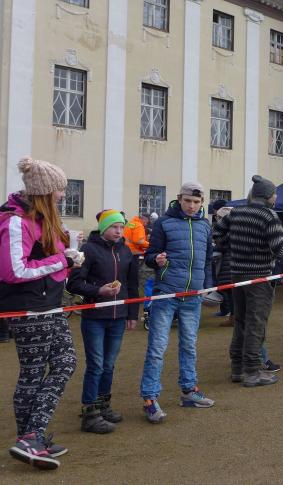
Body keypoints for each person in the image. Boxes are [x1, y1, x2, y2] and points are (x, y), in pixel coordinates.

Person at [0, 157, 78, 470]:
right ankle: (30, 438)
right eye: (59, 189)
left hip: (50, 304)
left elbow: (47, 260)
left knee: (66, 362)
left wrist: (67, 257)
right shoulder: (16, 221)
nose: (63, 195)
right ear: (44, 192)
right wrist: (62, 261)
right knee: (32, 372)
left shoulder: (44, 219)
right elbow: (14, 270)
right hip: (29, 307)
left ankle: (32, 436)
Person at [214, 176, 283, 381]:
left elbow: (217, 233)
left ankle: (238, 368)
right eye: (275, 194)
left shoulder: (236, 212)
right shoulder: (269, 216)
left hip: (238, 275)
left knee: (241, 322)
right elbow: (280, 248)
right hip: (259, 276)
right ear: (269, 196)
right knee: (256, 324)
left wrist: (235, 247)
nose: (276, 197)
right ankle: (252, 371)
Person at [140, 182, 214, 423]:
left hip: (193, 296)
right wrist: (156, 260)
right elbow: (149, 256)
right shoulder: (164, 223)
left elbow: (207, 260)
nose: (192, 206)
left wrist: (206, 286)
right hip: (166, 294)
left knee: (189, 345)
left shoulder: (205, 225)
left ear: (202, 203)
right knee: (157, 348)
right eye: (188, 201)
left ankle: (189, 390)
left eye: (196, 202)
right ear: (179, 199)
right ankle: (150, 398)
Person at [67, 210, 139, 434]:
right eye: (114, 227)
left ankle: (103, 405)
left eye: (121, 227)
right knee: (96, 365)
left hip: (118, 317)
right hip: (95, 317)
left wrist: (132, 314)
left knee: (109, 364)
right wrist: (99, 291)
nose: (119, 231)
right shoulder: (88, 249)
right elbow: (74, 283)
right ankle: (89, 412)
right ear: (103, 228)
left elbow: (132, 285)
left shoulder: (126, 251)